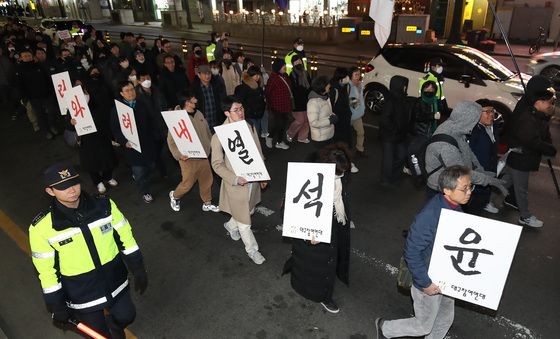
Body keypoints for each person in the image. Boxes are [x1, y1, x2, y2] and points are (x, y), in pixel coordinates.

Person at [29, 163, 147, 339]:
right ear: (50, 191)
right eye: (62, 187)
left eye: (74, 183)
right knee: (99, 335)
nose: (72, 190)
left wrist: (138, 267)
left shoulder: (105, 205)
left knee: (127, 315)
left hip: (115, 280)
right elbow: (46, 270)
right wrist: (56, 304)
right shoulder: (41, 228)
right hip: (82, 292)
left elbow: (127, 239)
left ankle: (115, 327)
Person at [375, 165, 472, 339]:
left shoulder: (456, 207)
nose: (469, 192)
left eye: (470, 187)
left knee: (444, 320)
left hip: (446, 276)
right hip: (427, 278)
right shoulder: (430, 215)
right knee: (423, 325)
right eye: (464, 188)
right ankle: (384, 328)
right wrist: (425, 283)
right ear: (447, 190)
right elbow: (411, 251)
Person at [282, 143, 351, 314]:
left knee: (330, 260)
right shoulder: (307, 178)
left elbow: (340, 197)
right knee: (318, 267)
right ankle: (323, 297)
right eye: (338, 173)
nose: (341, 176)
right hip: (313, 234)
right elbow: (290, 209)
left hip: (333, 224)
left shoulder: (337, 177)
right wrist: (307, 235)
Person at [211, 96, 268, 265]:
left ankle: (230, 225)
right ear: (227, 112)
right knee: (245, 223)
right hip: (236, 185)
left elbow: (258, 151)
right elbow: (217, 164)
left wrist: (263, 176)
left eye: (242, 108)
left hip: (253, 180)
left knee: (248, 210)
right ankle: (252, 250)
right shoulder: (219, 136)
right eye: (236, 110)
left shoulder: (248, 126)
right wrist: (234, 178)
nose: (241, 112)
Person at [425, 101, 508, 200]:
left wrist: (481, 171)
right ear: (468, 120)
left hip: (454, 183)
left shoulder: (456, 127)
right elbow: (460, 174)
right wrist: (489, 180)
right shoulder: (446, 146)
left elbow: (467, 151)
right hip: (441, 190)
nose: (476, 124)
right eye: (475, 120)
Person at [504, 75, 557, 227]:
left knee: (505, 182)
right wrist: (547, 147)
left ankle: (488, 198)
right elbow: (529, 138)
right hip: (521, 156)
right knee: (520, 189)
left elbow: (541, 130)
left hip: (521, 157)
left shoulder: (534, 109)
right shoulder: (526, 113)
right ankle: (525, 216)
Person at [168, 91, 219, 213]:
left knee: (207, 180)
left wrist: (212, 146)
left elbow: (207, 132)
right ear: (187, 102)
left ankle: (207, 202)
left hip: (204, 155)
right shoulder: (177, 118)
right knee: (188, 183)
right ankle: (175, 196)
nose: (196, 100)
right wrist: (179, 155)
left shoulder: (199, 113)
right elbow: (171, 141)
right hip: (188, 158)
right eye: (193, 98)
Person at [111, 81, 158, 203]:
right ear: (121, 93)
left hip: (147, 143)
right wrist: (124, 141)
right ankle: (145, 192)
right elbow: (115, 129)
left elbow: (151, 121)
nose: (131, 92)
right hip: (132, 146)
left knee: (150, 166)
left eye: (132, 89)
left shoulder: (142, 104)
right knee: (139, 170)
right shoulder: (117, 110)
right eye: (127, 90)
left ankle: (141, 177)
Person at [79, 67, 119, 193]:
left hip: (103, 131)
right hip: (88, 135)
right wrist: (72, 122)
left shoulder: (101, 94)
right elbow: (70, 121)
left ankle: (107, 177)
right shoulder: (77, 103)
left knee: (109, 157)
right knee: (92, 160)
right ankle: (98, 181)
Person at [465, 99, 501, 215]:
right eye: (487, 112)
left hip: (487, 173)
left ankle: (485, 203)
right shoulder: (473, 132)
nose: (491, 115)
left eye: (492, 111)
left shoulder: (491, 127)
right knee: (472, 208)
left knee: (480, 202)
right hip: (476, 178)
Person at [15, 49, 59, 139]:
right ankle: (46, 131)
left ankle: (52, 126)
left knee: (51, 111)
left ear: (32, 56)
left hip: (47, 95)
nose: (27, 57)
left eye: (29, 55)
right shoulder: (19, 70)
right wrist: (24, 97)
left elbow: (47, 79)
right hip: (33, 97)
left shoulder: (39, 65)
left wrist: (51, 91)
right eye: (25, 56)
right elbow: (20, 85)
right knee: (40, 115)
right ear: (21, 58)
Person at [379, 75, 410, 185]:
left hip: (399, 135)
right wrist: (395, 129)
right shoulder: (390, 100)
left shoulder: (402, 98)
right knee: (388, 159)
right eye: (404, 86)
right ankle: (386, 180)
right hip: (389, 135)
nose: (406, 88)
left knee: (402, 155)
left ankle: (394, 176)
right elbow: (384, 119)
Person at [264, 59, 292, 150]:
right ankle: (270, 137)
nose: (285, 67)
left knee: (284, 124)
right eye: (282, 66)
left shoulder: (285, 76)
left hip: (285, 105)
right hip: (276, 106)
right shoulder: (273, 78)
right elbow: (267, 92)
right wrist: (270, 104)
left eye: (285, 65)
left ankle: (279, 142)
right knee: (278, 124)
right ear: (277, 67)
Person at [234, 65, 266, 135]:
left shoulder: (258, 85)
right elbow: (240, 102)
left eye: (258, 75)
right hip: (250, 116)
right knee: (253, 134)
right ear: (251, 75)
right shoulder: (244, 87)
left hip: (258, 115)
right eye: (256, 75)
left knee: (256, 134)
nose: (258, 77)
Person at [286, 54, 311, 143]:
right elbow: (293, 89)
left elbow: (309, 86)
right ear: (293, 64)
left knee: (307, 121)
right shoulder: (292, 74)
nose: (298, 63)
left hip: (306, 101)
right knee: (300, 120)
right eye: (296, 62)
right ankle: (290, 133)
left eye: (299, 61)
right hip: (297, 102)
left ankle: (302, 137)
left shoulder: (306, 73)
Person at [307, 75, 337, 149]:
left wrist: (333, 116)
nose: (330, 85)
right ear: (322, 86)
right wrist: (329, 121)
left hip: (328, 135)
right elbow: (313, 122)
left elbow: (326, 113)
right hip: (320, 138)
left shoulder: (325, 97)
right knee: (322, 158)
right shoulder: (313, 102)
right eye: (328, 84)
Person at [193, 64, 226, 130]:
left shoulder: (216, 86)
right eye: (204, 74)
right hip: (203, 123)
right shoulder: (194, 89)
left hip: (216, 121)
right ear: (199, 75)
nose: (207, 76)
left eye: (209, 74)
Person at [348, 66, 366, 157]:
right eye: (356, 75)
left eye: (359, 74)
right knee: (347, 135)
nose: (358, 76)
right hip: (350, 115)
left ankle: (360, 149)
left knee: (361, 133)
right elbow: (354, 104)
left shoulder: (358, 85)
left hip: (357, 115)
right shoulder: (350, 86)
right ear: (350, 76)